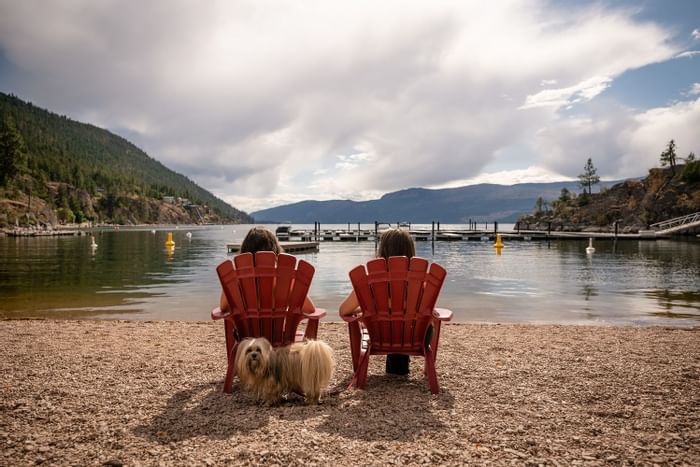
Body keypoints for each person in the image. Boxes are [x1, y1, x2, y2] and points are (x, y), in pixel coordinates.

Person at [339, 228, 418, 375]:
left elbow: (344, 311)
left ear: (382, 250)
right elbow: (424, 309)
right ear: (410, 251)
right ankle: (400, 367)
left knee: (389, 325)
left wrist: (370, 306)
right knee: (407, 324)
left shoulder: (370, 280)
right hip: (412, 337)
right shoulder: (420, 281)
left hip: (379, 337)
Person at [219, 226, 316, 314]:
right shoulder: (284, 277)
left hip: (246, 332)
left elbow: (223, 308)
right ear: (274, 248)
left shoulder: (236, 276)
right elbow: (310, 309)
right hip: (277, 332)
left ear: (245, 248)